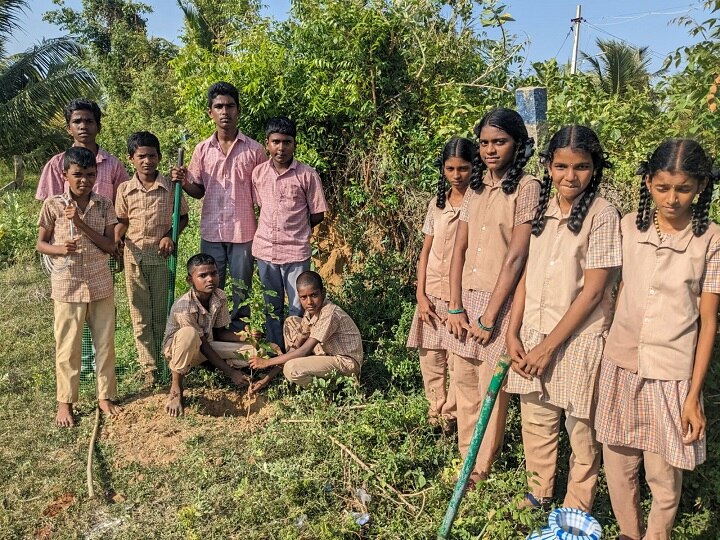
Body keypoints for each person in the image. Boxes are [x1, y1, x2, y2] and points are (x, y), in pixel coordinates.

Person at [595, 139, 719, 540]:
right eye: (663, 187)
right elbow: (617, 289)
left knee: (663, 473)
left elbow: (708, 322)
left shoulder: (711, 240)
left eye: (683, 188)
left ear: (700, 186)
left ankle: (656, 536)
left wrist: (693, 397)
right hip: (620, 363)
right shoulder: (629, 226)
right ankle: (628, 534)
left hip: (671, 374)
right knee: (618, 463)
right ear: (648, 181)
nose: (672, 198)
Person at [505, 126, 621, 511]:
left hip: (578, 339)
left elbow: (593, 292)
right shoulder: (541, 208)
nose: (570, 176)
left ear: (595, 168)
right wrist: (513, 331)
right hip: (532, 332)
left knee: (581, 429)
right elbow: (526, 274)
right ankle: (539, 493)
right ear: (548, 166)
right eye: (561, 166)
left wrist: (547, 347)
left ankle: (576, 505)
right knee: (536, 420)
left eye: (581, 167)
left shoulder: (603, 215)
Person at [446, 108, 540, 484]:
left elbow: (517, 256)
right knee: (464, 381)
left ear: (517, 144)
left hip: (498, 304)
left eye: (499, 142)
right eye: (484, 143)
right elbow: (459, 247)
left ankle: (480, 466)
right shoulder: (477, 186)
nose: (489, 150)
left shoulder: (527, 187)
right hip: (464, 301)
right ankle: (463, 457)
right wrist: (454, 305)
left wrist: (489, 317)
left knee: (490, 387)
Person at [36, 147, 122, 427]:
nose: (84, 180)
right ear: (65, 175)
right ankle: (65, 403)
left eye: (89, 174)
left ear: (96, 175)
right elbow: (41, 243)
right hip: (67, 284)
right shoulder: (52, 205)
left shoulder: (104, 204)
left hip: (99, 282)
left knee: (105, 344)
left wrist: (79, 224)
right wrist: (60, 249)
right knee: (68, 345)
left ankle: (105, 396)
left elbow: (110, 246)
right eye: (77, 175)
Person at [171, 82, 267, 330]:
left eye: (230, 106)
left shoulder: (255, 150)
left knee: (241, 287)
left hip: (243, 232)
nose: (225, 111)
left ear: (239, 110)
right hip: (212, 230)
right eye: (219, 106)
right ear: (210, 112)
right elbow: (198, 190)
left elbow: (263, 193)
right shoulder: (202, 150)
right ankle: (214, 331)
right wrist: (184, 181)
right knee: (212, 284)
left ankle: (239, 331)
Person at [406, 137, 475, 433]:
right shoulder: (437, 204)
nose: (457, 175)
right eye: (450, 169)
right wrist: (421, 294)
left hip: (460, 297)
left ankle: (452, 417)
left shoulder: (479, 203)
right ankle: (434, 414)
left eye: (463, 168)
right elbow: (425, 252)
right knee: (431, 359)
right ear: (443, 169)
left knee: (459, 365)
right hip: (432, 294)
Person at [115, 131, 190, 387]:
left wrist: (170, 235)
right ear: (131, 159)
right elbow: (122, 222)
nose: (147, 161)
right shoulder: (125, 189)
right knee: (140, 315)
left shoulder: (170, 187)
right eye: (141, 156)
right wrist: (115, 243)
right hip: (133, 258)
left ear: (158, 157)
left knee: (161, 314)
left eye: (151, 155)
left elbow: (182, 217)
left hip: (160, 259)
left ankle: (164, 360)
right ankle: (148, 368)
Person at [252, 116, 328, 349]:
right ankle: (275, 351)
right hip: (265, 251)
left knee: (298, 306)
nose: (281, 148)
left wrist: (297, 230)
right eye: (276, 142)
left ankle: (294, 352)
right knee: (271, 305)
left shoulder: (306, 175)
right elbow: (260, 206)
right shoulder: (258, 174)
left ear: (294, 144)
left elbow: (318, 213)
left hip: (295, 252)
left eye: (287, 142)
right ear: (267, 144)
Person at [163, 253, 256, 417]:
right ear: (190, 280)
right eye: (202, 275)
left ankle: (214, 365)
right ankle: (176, 388)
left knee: (253, 352)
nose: (210, 279)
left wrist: (247, 336)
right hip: (181, 350)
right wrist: (230, 372)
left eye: (213, 273)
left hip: (206, 345)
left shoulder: (219, 296)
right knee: (189, 334)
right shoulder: (183, 306)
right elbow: (202, 344)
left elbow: (220, 332)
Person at [248, 271, 363, 393]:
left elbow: (304, 350)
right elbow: (295, 348)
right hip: (328, 353)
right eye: (304, 297)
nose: (309, 302)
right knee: (291, 322)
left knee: (291, 368)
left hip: (345, 363)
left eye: (314, 295)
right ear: (299, 297)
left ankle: (329, 389)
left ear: (323, 293)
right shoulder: (310, 312)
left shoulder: (329, 313)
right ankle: (308, 369)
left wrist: (266, 362)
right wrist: (266, 379)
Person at [35, 98, 129, 202]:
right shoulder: (57, 164)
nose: (83, 126)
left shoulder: (114, 165)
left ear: (99, 127)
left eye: (89, 121)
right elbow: (52, 206)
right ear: (69, 129)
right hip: (67, 218)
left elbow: (122, 207)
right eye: (77, 121)